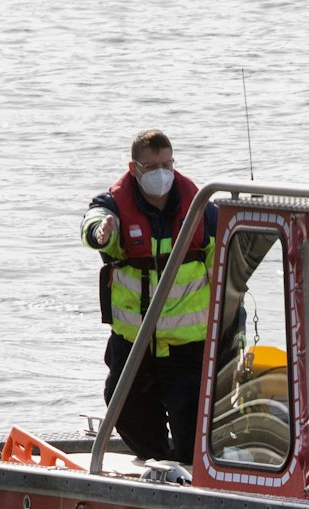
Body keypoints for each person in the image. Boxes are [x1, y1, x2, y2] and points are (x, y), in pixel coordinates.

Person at [82, 130, 219, 464]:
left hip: (188, 344)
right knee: (123, 406)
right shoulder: (113, 206)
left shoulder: (202, 208)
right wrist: (102, 232)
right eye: (152, 165)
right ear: (134, 168)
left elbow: (229, 270)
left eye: (167, 163)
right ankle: (157, 461)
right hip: (133, 341)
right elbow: (92, 225)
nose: (162, 172)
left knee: (193, 428)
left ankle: (186, 468)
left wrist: (230, 330)